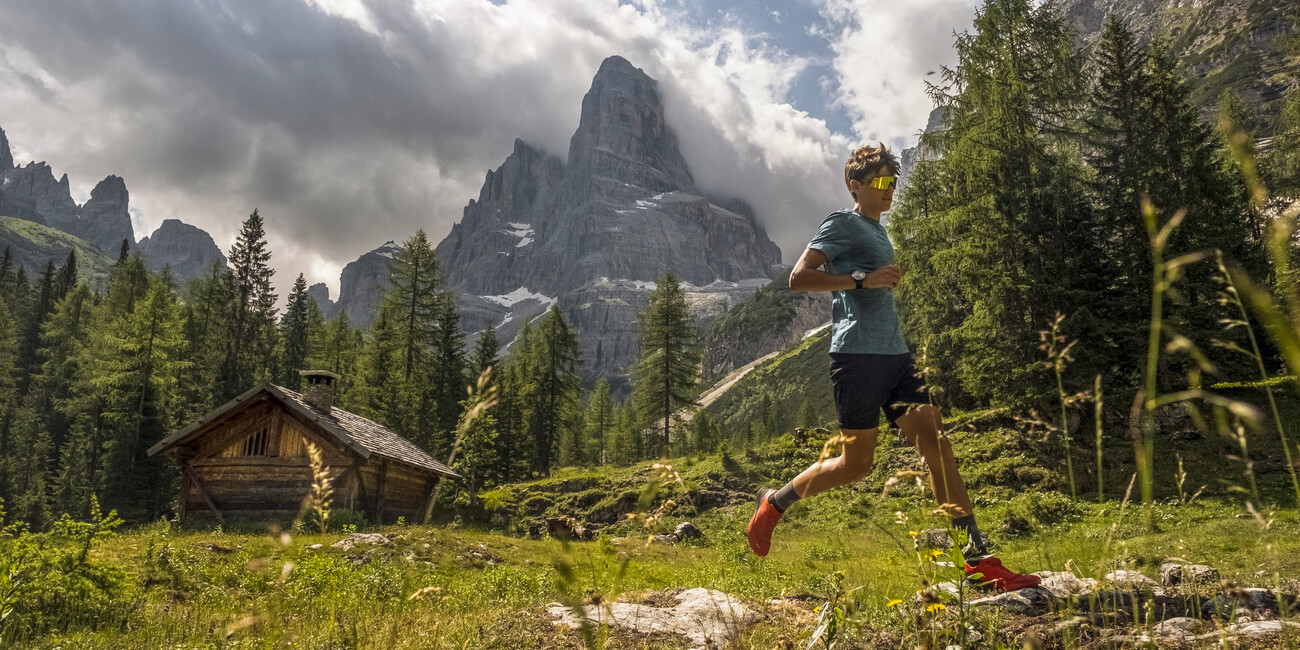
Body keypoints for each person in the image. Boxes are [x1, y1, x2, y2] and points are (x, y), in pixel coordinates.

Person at [745, 143, 1041, 592]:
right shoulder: (841, 222)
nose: (890, 191)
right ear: (855, 186)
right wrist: (862, 279)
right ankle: (775, 503)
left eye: (893, 182)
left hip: (897, 358)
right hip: (857, 358)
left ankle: (976, 560)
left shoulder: (880, 232)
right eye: (880, 183)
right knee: (854, 466)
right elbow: (799, 277)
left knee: (937, 446)